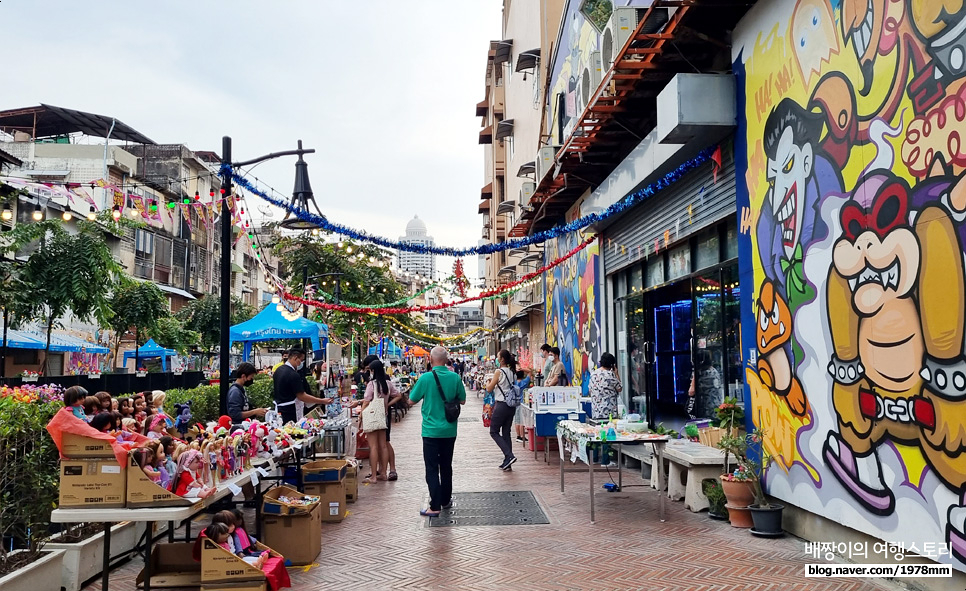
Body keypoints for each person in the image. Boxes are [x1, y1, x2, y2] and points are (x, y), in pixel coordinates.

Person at [407, 345, 466, 516]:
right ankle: (446, 500)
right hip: (449, 430)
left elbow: (411, 401)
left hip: (430, 431)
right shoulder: (455, 377)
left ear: (431, 360)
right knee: (446, 466)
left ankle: (435, 505)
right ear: (447, 360)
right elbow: (462, 400)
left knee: (432, 468)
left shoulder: (425, 378)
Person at [361, 360, 403, 484]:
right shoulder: (387, 384)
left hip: (372, 416)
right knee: (383, 445)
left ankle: (374, 476)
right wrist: (387, 405)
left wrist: (361, 415)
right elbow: (399, 395)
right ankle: (384, 473)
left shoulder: (371, 384)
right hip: (383, 416)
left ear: (373, 371)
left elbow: (366, 401)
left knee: (373, 446)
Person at [272, 347, 332, 424]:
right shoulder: (293, 374)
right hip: (291, 410)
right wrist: (322, 401)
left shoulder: (279, 370)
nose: (301, 363)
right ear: (295, 358)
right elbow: (302, 396)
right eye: (301, 360)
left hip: (280, 410)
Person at [485, 350, 520, 471]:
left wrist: (488, 382)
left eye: (498, 357)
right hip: (511, 406)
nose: (497, 359)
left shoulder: (499, 372)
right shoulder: (512, 372)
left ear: (502, 360)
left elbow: (489, 389)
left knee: (493, 431)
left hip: (501, 405)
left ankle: (509, 456)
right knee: (506, 433)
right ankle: (507, 461)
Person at [588, 352, 622, 420]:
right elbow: (619, 388)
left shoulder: (593, 374)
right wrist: (616, 374)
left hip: (596, 412)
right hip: (609, 412)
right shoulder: (610, 374)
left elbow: (590, 390)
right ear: (611, 365)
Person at [513, 368, 533, 442]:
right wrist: (523, 369)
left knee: (516, 420)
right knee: (522, 420)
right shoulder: (524, 382)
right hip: (522, 402)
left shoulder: (513, 383)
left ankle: (518, 436)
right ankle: (522, 436)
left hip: (515, 402)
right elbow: (530, 372)